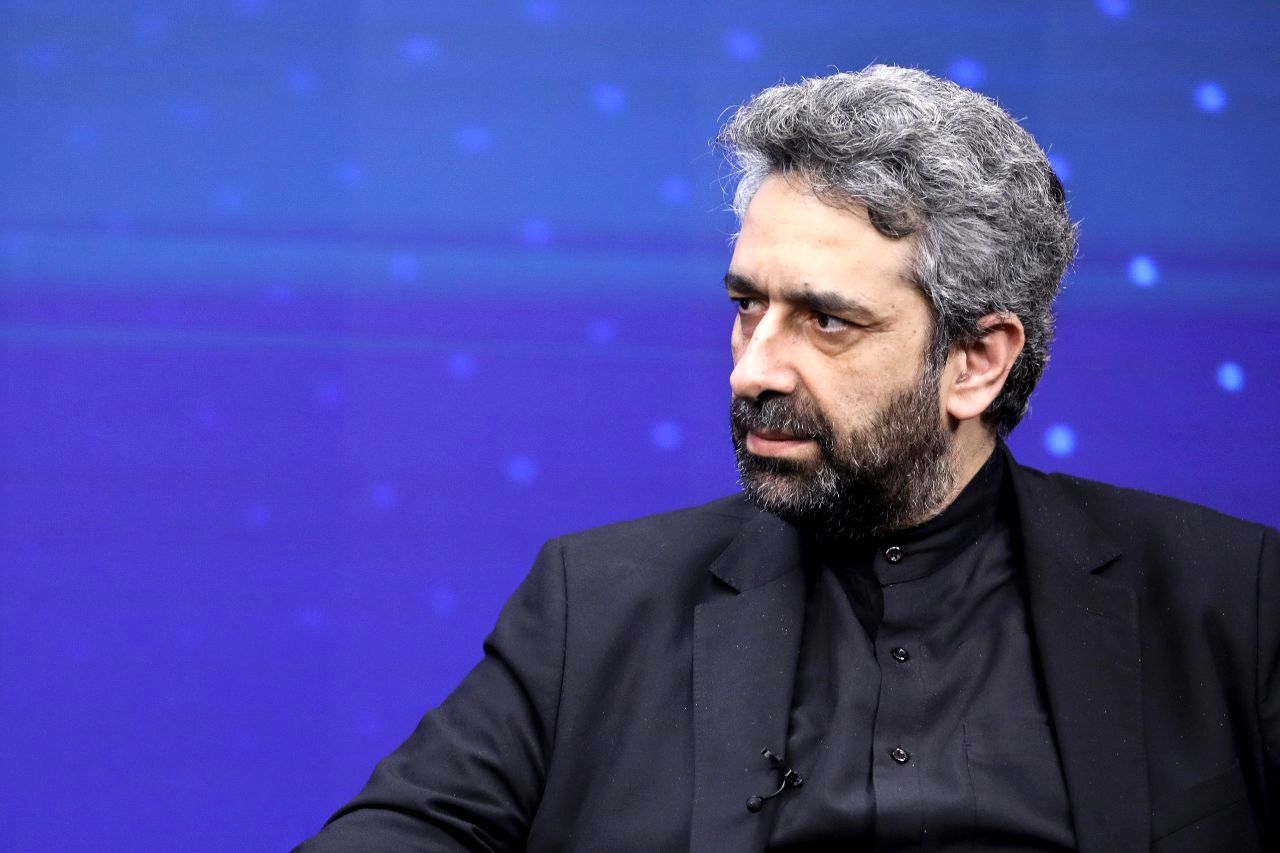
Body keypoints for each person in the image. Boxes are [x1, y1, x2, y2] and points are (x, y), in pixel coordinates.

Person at [296, 65, 1279, 852]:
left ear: (976, 361)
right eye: (746, 306)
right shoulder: (593, 606)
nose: (752, 368)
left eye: (825, 320)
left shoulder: (1229, 602)